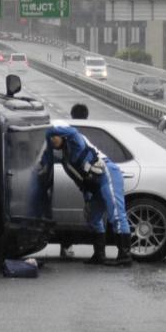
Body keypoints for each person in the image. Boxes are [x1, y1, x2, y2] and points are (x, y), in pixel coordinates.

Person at [42, 123, 133, 267]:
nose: (53, 140)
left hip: (107, 173)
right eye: (51, 138)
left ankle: (125, 255)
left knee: (115, 214)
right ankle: (99, 254)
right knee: (93, 217)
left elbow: (72, 130)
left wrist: (48, 130)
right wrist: (87, 199)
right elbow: (80, 180)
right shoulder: (65, 157)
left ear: (63, 136)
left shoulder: (75, 140)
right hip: (93, 184)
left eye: (55, 136)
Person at [59, 103, 91, 259]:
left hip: (70, 172)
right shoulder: (90, 130)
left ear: (71, 114)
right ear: (86, 115)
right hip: (86, 172)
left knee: (64, 211)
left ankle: (65, 245)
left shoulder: (67, 130)